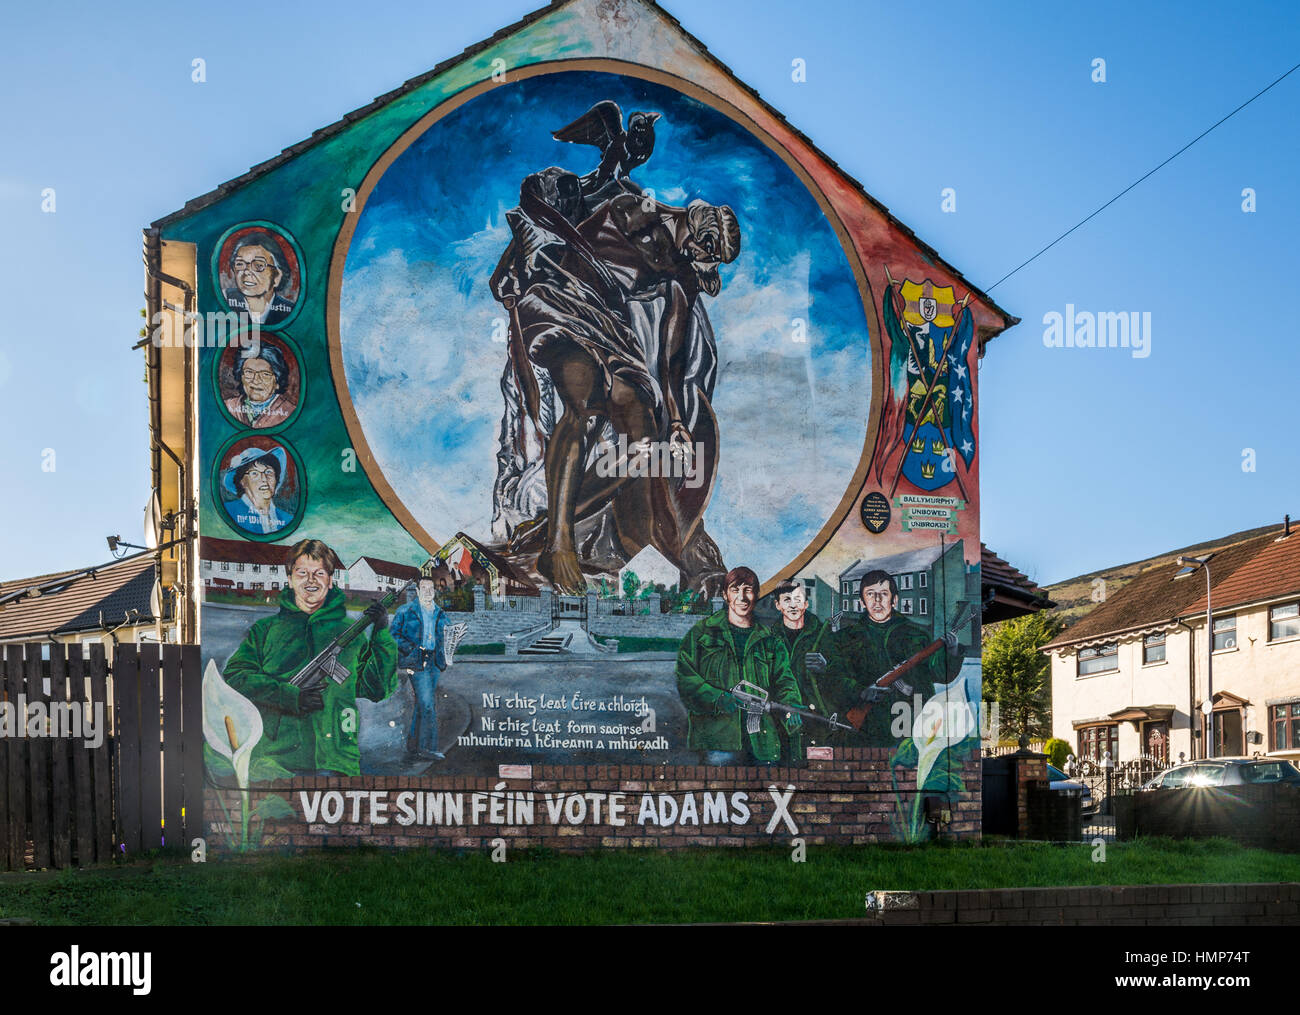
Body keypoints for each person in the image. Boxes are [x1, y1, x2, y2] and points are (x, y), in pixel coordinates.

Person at [223, 539, 398, 777]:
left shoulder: (351, 633)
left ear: (330, 580)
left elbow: (376, 689)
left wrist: (380, 634)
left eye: (319, 573)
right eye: (302, 573)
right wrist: (289, 696)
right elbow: (236, 677)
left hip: (337, 759)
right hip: (278, 760)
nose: (310, 580)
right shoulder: (265, 630)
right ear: (290, 579)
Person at [675, 566, 803, 766]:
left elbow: (785, 681)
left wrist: (792, 706)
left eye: (748, 590)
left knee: (765, 796)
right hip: (718, 739)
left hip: (762, 741)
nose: (742, 597)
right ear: (725, 595)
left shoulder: (770, 640)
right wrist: (718, 698)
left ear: (757, 595)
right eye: (735, 590)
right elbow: (685, 678)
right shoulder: (702, 634)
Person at [826, 569, 950, 746]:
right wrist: (861, 691)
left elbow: (939, 674)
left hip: (908, 725)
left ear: (895, 600)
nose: (877, 600)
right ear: (862, 601)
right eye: (870, 594)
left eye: (884, 594)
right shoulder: (844, 638)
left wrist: (952, 652)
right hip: (866, 729)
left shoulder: (917, 635)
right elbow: (834, 678)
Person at [768, 580, 858, 751]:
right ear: (778, 605)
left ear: (806, 604)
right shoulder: (769, 638)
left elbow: (843, 675)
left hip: (818, 720)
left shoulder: (823, 637)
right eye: (787, 600)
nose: (793, 605)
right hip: (781, 718)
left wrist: (826, 667)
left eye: (798, 599)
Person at [391, 575, 448, 761]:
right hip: (416, 660)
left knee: (422, 704)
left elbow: (448, 633)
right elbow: (393, 636)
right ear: (417, 591)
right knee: (428, 706)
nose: (428, 591)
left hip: (435, 662)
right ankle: (428, 748)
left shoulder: (440, 613)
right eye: (424, 588)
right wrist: (411, 649)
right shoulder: (405, 611)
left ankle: (413, 746)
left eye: (431, 588)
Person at [222, 233, 295, 326]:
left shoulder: (289, 312)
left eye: (258, 265)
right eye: (240, 264)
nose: (247, 271)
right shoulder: (224, 299)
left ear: (277, 276)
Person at [221, 445, 293, 535]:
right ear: (242, 482)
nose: (264, 478)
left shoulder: (288, 519)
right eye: (254, 473)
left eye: (269, 472)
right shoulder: (228, 511)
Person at [225, 344, 295, 428]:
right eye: (249, 372)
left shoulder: (289, 411)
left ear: (277, 381)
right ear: (241, 376)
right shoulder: (229, 407)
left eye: (265, 374)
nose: (256, 380)